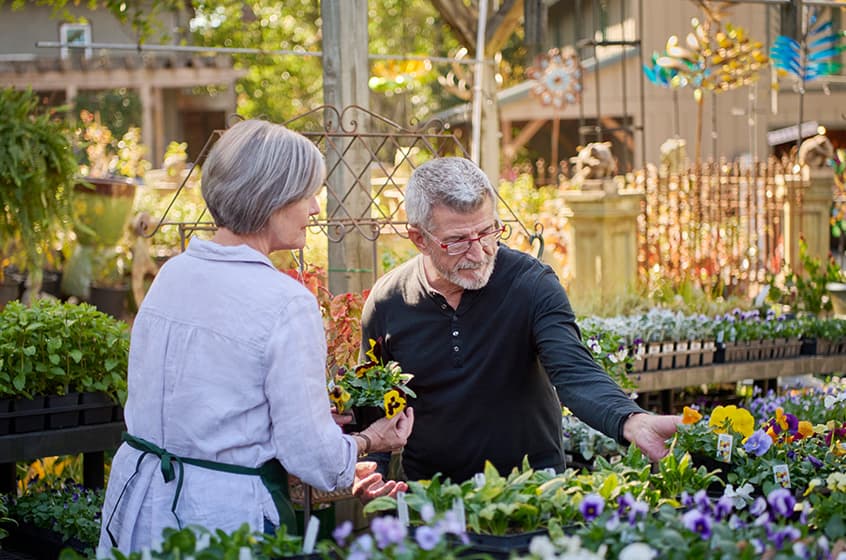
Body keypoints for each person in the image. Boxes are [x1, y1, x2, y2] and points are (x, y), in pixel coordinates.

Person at [99, 119, 414, 553]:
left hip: (141, 502)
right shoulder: (285, 301)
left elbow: (206, 408)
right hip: (222, 519)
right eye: (308, 194)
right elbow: (311, 456)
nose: (316, 209)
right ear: (272, 198)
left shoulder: (173, 274)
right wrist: (370, 440)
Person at [360, 157, 677, 483]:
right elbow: (373, 402)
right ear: (418, 239)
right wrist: (373, 468)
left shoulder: (531, 284)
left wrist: (630, 420)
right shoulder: (388, 302)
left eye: (488, 231)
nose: (479, 252)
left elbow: (574, 372)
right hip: (433, 497)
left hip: (532, 493)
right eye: (457, 241)